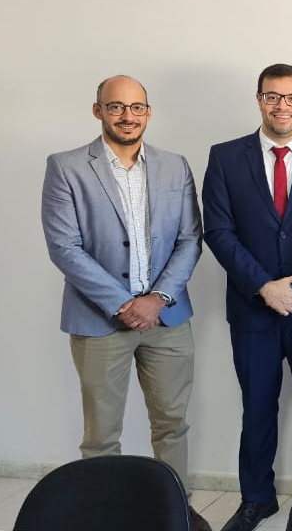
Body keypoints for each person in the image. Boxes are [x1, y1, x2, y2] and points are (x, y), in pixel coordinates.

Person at [40, 75, 211, 531]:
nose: (127, 116)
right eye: (116, 107)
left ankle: (175, 510)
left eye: (137, 107)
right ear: (98, 110)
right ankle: (105, 515)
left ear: (148, 112)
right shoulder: (67, 167)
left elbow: (190, 239)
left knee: (172, 424)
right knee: (101, 434)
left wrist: (157, 299)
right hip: (99, 322)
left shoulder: (175, 166)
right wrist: (124, 305)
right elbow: (64, 247)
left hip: (168, 320)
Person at [201, 63, 292, 531]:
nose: (282, 106)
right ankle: (257, 500)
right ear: (259, 99)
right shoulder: (225, 157)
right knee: (258, 407)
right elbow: (218, 231)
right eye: (273, 96)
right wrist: (265, 286)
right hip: (253, 309)